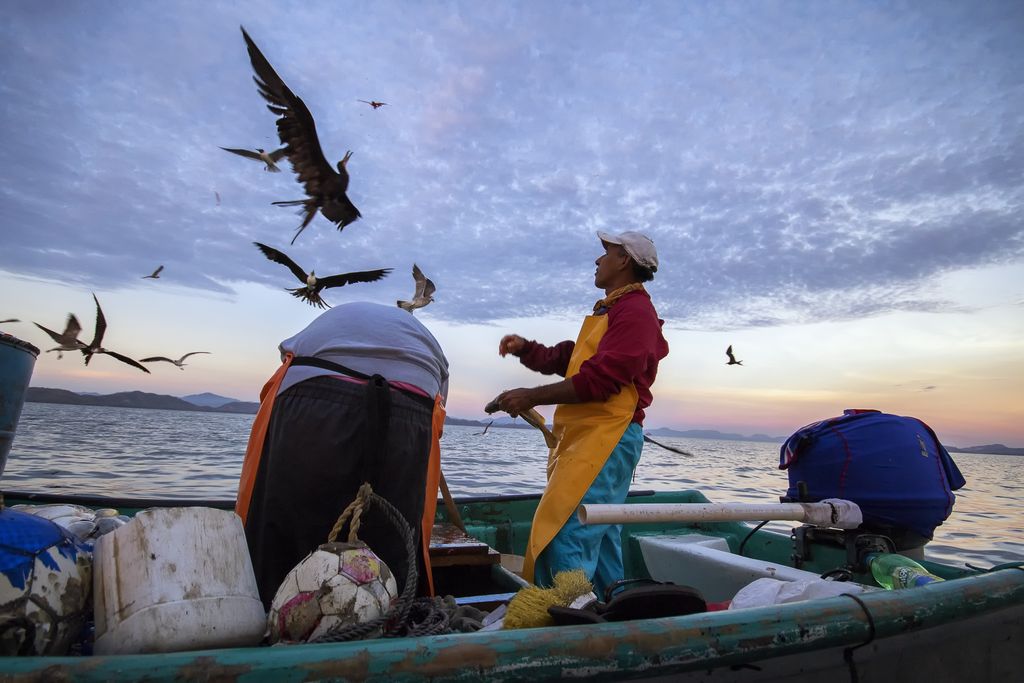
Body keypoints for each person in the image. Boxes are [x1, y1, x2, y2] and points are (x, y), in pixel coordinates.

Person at [236, 301, 449, 607]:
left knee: (281, 537)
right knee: (392, 539)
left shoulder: (313, 335)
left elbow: (282, 376)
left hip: (310, 397)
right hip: (411, 408)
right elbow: (435, 424)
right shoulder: (431, 350)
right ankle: (390, 620)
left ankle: (273, 616)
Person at [496, 230, 668, 595]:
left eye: (606, 252)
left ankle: (570, 620)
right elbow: (573, 359)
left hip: (607, 437)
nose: (597, 259)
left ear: (624, 261)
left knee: (569, 531)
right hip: (595, 437)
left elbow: (599, 380)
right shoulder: (615, 309)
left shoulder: (636, 312)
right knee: (601, 533)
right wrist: (527, 349)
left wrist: (530, 396)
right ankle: (613, 614)